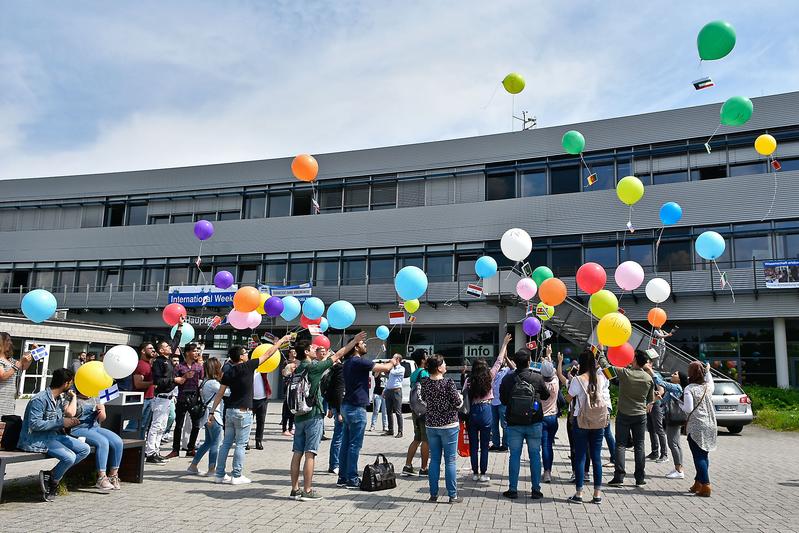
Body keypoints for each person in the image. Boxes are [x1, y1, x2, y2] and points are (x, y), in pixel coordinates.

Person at [292, 334, 364, 500]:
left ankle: (295, 489)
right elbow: (337, 355)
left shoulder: (298, 368)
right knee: (310, 453)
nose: (315, 348)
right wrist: (353, 342)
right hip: (313, 414)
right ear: (306, 352)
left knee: (297, 452)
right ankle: (308, 491)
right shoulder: (313, 367)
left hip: (299, 415)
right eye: (312, 348)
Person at [210, 338, 289, 485]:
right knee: (240, 444)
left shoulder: (229, 371)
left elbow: (220, 393)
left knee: (226, 443)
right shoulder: (248, 366)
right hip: (243, 412)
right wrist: (281, 342)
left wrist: (212, 412)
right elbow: (268, 353)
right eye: (245, 353)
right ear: (240, 357)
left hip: (230, 411)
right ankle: (237, 475)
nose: (247, 354)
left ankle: (219, 474)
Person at [337, 335, 399, 490]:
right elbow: (384, 368)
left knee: (345, 443)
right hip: (357, 408)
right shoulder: (358, 361)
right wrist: (393, 360)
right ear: (356, 347)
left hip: (346, 406)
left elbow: (376, 369)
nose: (366, 345)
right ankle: (352, 478)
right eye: (363, 343)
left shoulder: (347, 362)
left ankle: (342, 477)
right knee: (354, 445)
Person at [18, 368, 90, 502]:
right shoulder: (39, 399)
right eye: (71, 383)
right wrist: (62, 422)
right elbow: (35, 424)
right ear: (66, 383)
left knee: (84, 449)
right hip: (37, 439)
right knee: (69, 457)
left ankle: (51, 474)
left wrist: (69, 423)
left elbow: (59, 420)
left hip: (53, 435)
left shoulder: (58, 399)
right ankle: (54, 483)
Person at [499, 348, 550, 500]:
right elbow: (546, 396)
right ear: (529, 361)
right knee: (535, 455)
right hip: (534, 422)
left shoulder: (508, 379)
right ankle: (535, 490)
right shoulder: (537, 377)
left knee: (514, 455)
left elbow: (503, 400)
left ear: (515, 362)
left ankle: (513, 489)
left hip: (514, 423)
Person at [463, 333, 512, 482]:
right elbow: (499, 360)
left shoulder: (468, 381)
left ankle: (475, 473)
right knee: (485, 445)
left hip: (472, 412)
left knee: (473, 445)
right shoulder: (490, 376)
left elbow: (463, 396)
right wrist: (504, 344)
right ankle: (483, 474)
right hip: (486, 410)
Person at [605, 350, 655, 488]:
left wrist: (600, 353)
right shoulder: (648, 378)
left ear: (634, 360)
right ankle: (640, 478)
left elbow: (606, 368)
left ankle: (619, 477)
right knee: (640, 445)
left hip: (624, 414)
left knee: (620, 445)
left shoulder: (625, 373)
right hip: (640, 415)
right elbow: (650, 400)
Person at [420, 353, 463, 503]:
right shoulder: (448, 383)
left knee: (435, 460)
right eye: (444, 363)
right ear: (439, 368)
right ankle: (452, 495)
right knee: (450, 461)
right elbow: (458, 403)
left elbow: (424, 401)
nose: (446, 366)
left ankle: (433, 494)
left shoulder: (424, 382)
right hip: (449, 425)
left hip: (431, 425)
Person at [566, 350, 608, 504]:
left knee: (581, 456)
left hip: (581, 420)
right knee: (596, 457)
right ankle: (597, 494)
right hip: (598, 421)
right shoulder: (601, 378)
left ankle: (579, 493)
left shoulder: (578, 379)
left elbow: (568, 397)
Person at [144, 317, 184, 465]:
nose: (170, 348)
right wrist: (175, 380)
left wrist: (180, 326)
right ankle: (150, 453)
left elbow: (176, 342)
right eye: (167, 347)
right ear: (162, 350)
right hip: (160, 398)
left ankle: (156, 451)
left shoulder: (168, 358)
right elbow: (158, 381)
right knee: (156, 426)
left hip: (168, 398)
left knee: (161, 427)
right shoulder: (159, 363)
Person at [72, 390, 124, 490]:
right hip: (78, 428)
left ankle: (113, 476)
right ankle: (101, 478)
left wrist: (101, 410)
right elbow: (69, 414)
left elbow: (102, 418)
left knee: (117, 441)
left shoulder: (96, 397)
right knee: (102, 442)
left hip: (94, 427)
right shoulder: (73, 397)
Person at [681, 362, 717, 497]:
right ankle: (698, 482)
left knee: (698, 456)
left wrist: (680, 405)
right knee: (704, 454)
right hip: (710, 424)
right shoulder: (708, 387)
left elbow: (688, 408)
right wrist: (708, 371)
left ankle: (706, 484)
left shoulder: (689, 388)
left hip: (697, 424)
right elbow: (710, 381)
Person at [166, 342, 204, 459]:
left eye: (198, 350)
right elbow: (175, 381)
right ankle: (175, 449)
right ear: (187, 353)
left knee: (196, 425)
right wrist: (184, 377)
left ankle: (191, 448)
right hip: (182, 398)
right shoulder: (179, 367)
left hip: (194, 398)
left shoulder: (199, 367)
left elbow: (202, 382)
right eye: (194, 350)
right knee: (179, 425)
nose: (197, 352)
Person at [187, 357, 224, 477]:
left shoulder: (205, 381)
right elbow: (226, 392)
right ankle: (211, 469)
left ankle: (193, 466)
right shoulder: (213, 383)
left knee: (208, 442)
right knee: (216, 443)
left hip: (207, 415)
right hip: (214, 415)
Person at [649, 368, 688, 479]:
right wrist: (657, 398)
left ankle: (679, 470)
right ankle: (679, 468)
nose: (672, 374)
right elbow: (663, 402)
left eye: (675, 374)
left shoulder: (677, 387)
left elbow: (660, 383)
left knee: (673, 444)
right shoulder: (673, 390)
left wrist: (651, 371)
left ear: (679, 379)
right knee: (676, 444)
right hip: (672, 418)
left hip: (674, 418)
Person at [401, 348, 429, 476]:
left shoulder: (414, 373)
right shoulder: (424, 373)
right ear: (423, 360)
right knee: (426, 440)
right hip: (424, 410)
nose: (428, 358)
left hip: (415, 410)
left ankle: (407, 465)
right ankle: (424, 468)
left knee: (416, 438)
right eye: (426, 356)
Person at [489, 342, 515, 453]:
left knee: (504, 425)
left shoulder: (506, 371)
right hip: (492, 402)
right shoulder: (493, 372)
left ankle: (505, 445)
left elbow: (513, 368)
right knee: (493, 425)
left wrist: (506, 357)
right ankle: (495, 444)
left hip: (503, 402)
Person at [323, 349, 345, 475]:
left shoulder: (331, 371)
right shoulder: (339, 370)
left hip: (335, 407)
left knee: (338, 437)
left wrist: (331, 408)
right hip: (340, 408)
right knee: (339, 437)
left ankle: (335, 463)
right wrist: (339, 411)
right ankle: (335, 464)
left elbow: (328, 391)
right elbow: (338, 392)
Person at [0, 332, 33, 416]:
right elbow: (3, 376)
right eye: (7, 340)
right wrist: (17, 365)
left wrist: (31, 353)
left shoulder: (10, 360)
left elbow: (23, 366)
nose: (10, 343)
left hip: (9, 400)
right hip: (1, 400)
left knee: (7, 424)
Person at [540, 351, 560, 484]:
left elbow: (546, 371)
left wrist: (545, 360)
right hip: (553, 417)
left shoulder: (539, 383)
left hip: (541, 418)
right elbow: (553, 371)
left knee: (545, 446)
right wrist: (549, 357)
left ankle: (546, 471)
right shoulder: (556, 382)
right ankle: (549, 471)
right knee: (549, 446)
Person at [128, 342, 155, 437]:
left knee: (143, 426)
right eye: (150, 348)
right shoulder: (141, 365)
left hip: (149, 398)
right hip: (140, 399)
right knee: (133, 425)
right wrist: (153, 383)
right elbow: (138, 384)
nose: (153, 350)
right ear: (143, 351)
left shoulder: (149, 364)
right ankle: (127, 446)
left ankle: (139, 448)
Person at [383, 354, 405, 437]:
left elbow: (392, 372)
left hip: (396, 392)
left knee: (398, 412)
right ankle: (390, 430)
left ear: (398, 359)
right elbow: (389, 380)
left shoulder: (401, 369)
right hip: (389, 391)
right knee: (388, 411)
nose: (391, 359)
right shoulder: (392, 369)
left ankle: (400, 431)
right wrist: (385, 390)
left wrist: (390, 365)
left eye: (393, 358)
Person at [252, 363, 271, 450]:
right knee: (248, 422)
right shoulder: (248, 370)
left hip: (263, 399)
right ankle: (245, 441)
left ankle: (258, 440)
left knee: (261, 421)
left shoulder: (263, 369)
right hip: (250, 399)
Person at [281, 348, 297, 436]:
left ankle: (291, 428)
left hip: (294, 392)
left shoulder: (298, 363)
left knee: (292, 410)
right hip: (288, 391)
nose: (294, 353)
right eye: (292, 352)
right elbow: (283, 373)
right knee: (286, 410)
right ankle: (284, 428)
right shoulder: (286, 363)